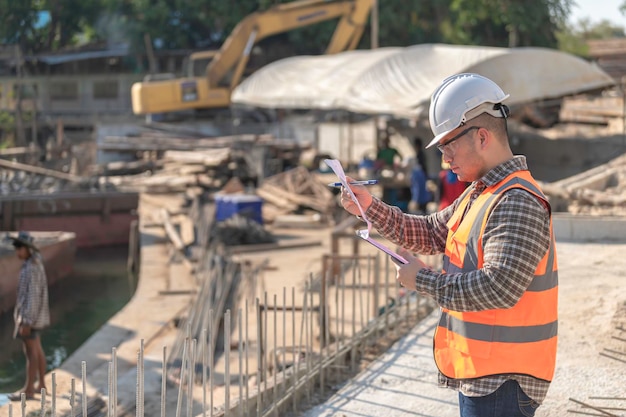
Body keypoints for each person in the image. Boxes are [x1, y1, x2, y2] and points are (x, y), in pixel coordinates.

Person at [340, 73, 557, 417]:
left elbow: (499, 287)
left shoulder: (516, 200)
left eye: (448, 146)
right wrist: (370, 207)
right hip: (483, 372)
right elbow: (429, 233)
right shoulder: (481, 193)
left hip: (503, 379)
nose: (444, 159)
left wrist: (422, 281)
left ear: (482, 136)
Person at [8, 231, 50, 401]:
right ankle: (41, 384)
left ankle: (28, 390)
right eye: (16, 247)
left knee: (30, 351)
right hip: (38, 316)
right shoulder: (36, 263)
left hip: (30, 318)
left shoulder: (30, 268)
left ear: (28, 249)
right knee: (37, 348)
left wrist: (26, 321)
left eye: (19, 248)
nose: (17, 251)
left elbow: (31, 295)